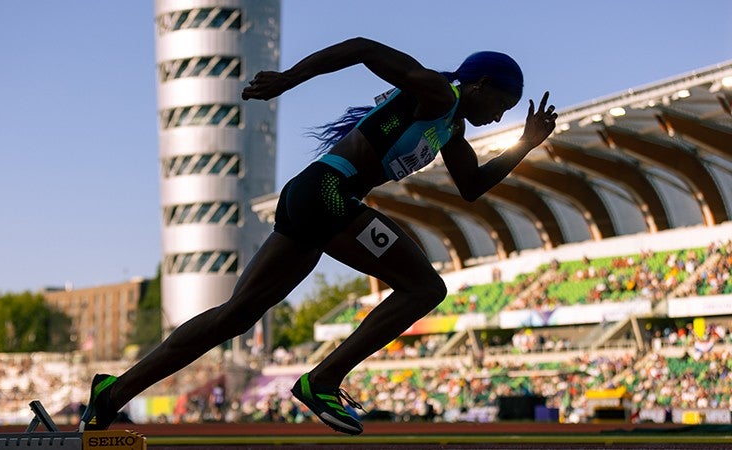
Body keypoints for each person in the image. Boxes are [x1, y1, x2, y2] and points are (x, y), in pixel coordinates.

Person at [78, 37, 557, 435]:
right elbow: (361, 48)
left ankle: (111, 394)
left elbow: (471, 187)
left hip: (312, 195)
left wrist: (526, 144)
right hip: (328, 191)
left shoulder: (450, 126)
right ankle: (323, 379)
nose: (500, 117)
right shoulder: (437, 92)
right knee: (425, 287)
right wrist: (288, 81)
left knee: (236, 317)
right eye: (503, 104)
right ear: (481, 84)